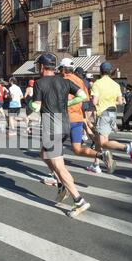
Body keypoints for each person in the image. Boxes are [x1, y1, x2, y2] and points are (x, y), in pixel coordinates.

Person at [30, 53, 91, 218]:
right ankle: (60, 182)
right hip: (65, 123)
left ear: (42, 67)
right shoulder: (65, 81)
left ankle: (78, 200)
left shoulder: (39, 83)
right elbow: (83, 96)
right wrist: (67, 103)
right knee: (43, 154)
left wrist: (30, 103)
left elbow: (36, 107)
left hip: (52, 125)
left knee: (59, 165)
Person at [58, 58, 115, 173]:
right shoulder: (79, 80)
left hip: (65, 118)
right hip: (78, 118)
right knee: (77, 149)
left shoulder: (63, 81)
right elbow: (86, 97)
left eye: (60, 69)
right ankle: (101, 155)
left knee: (53, 148)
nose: (59, 71)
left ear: (63, 69)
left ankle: (55, 175)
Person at [87, 62, 132, 174]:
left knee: (103, 142)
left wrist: (96, 102)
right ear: (110, 72)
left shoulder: (97, 83)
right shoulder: (115, 84)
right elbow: (120, 101)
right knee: (98, 140)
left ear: (100, 71)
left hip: (103, 113)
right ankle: (96, 164)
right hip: (112, 113)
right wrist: (109, 101)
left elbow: (94, 101)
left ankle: (127, 147)